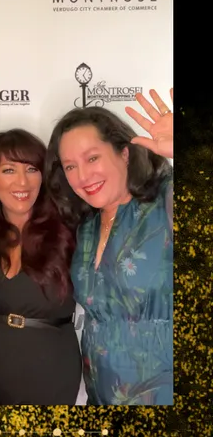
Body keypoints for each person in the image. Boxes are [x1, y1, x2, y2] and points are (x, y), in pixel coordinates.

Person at [46, 89, 174, 405]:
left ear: (125, 153)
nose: (83, 176)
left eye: (92, 158)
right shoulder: (85, 227)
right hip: (100, 395)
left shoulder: (165, 204)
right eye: (70, 166)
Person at [0, 129, 80, 404]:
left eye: (32, 169)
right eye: (9, 170)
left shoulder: (68, 228)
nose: (22, 182)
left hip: (51, 368)